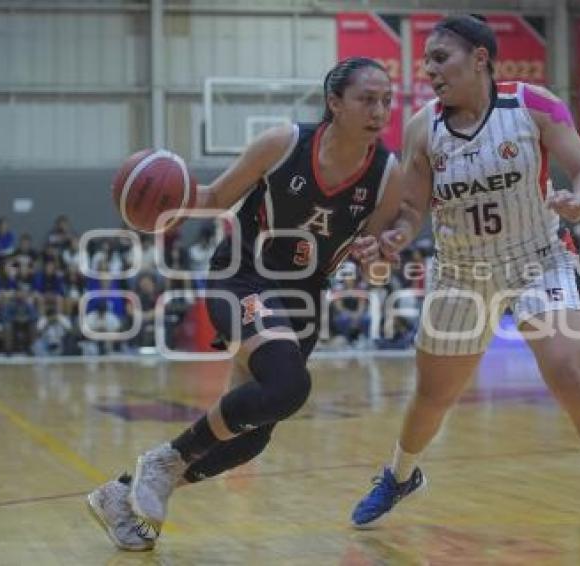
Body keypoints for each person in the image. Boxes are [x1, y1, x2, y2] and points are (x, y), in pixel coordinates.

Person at [349, 15, 580, 543]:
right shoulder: (423, 128)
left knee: (569, 373)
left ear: (480, 58)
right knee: (433, 396)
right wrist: (396, 235)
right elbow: (413, 208)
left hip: (538, 257)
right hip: (461, 270)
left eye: (441, 58)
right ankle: (399, 475)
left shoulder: (533, 104)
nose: (430, 70)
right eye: (427, 62)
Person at [86, 56, 402, 551]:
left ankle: (124, 492)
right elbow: (212, 199)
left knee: (251, 436)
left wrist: (378, 256)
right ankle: (165, 459)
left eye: (387, 99)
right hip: (243, 274)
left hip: (305, 299)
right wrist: (167, 201)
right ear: (334, 103)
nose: (380, 110)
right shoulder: (283, 143)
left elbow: (376, 271)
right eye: (367, 98)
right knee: (289, 383)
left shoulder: (387, 175)